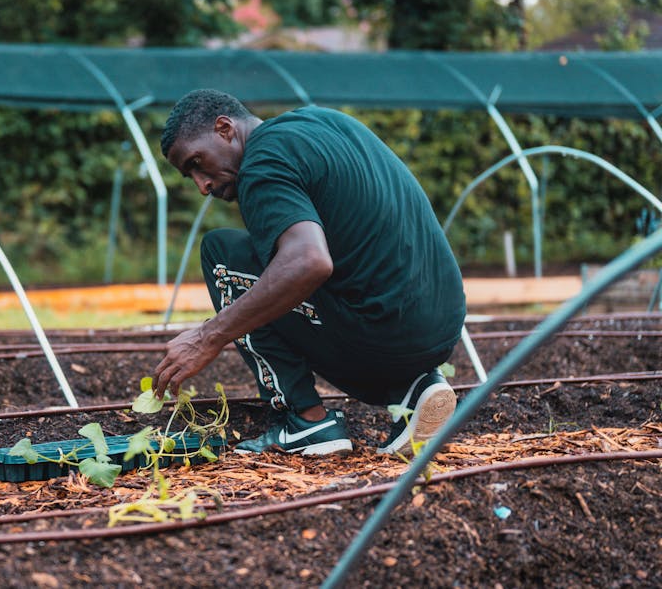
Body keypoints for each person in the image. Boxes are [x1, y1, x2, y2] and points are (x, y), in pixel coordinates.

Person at [152, 89, 465, 456]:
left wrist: (209, 335)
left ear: (225, 129)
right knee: (288, 267)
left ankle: (305, 421)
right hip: (442, 329)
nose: (202, 185)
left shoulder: (261, 165)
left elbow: (309, 262)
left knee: (222, 255)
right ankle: (415, 388)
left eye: (196, 163)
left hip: (386, 339)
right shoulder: (323, 123)